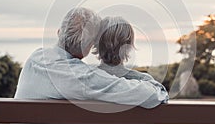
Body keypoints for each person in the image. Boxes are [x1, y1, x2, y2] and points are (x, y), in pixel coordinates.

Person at [14, 7, 169, 108]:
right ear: (88, 48)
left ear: (59, 32)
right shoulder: (84, 78)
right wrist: (155, 86)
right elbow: (149, 96)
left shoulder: (35, 58)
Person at [94, 16, 168, 96]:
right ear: (129, 46)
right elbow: (162, 96)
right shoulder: (146, 82)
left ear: (96, 44)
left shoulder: (86, 79)